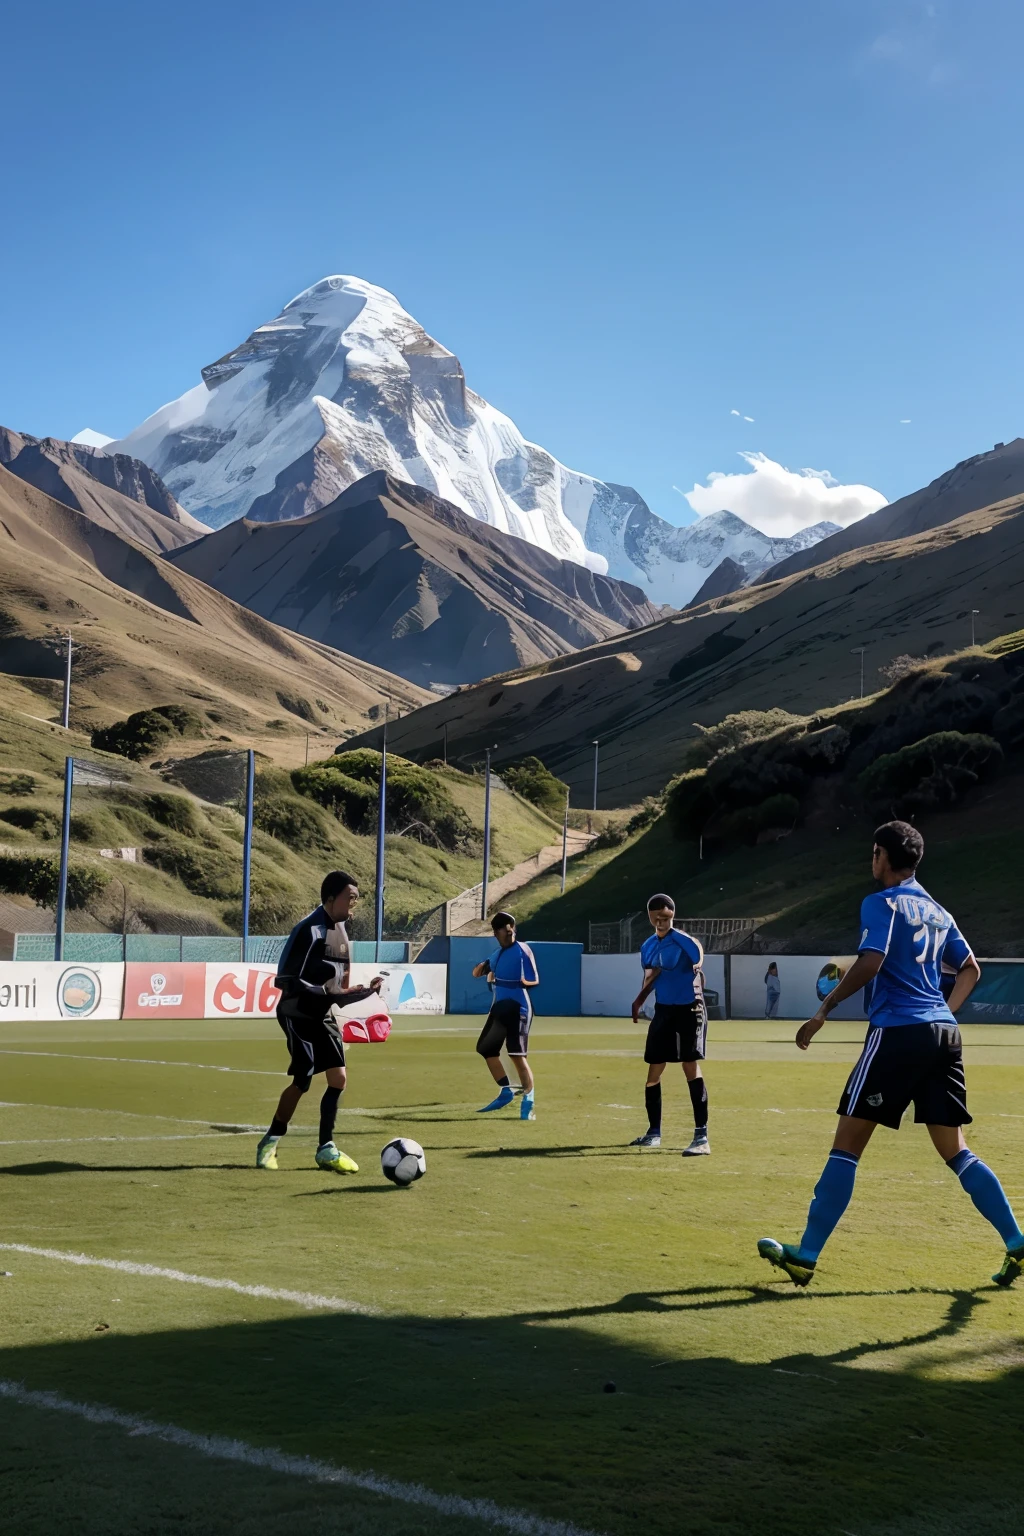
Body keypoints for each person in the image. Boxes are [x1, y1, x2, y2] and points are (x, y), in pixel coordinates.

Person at [759, 820, 1024, 1288]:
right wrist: (944, 1011)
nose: (871, 860)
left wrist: (824, 1009)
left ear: (882, 854)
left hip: (898, 1033)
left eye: (873, 852)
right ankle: (1017, 1242)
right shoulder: (939, 910)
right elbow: (971, 969)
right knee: (955, 1150)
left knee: (847, 1146)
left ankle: (806, 1255)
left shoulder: (880, 903)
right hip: (943, 1033)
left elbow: (872, 960)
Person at [256, 871, 383, 1172]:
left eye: (356, 897)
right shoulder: (308, 930)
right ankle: (270, 1141)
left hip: (322, 1013)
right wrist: (325, 991)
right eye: (349, 897)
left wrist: (365, 991)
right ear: (330, 898)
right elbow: (285, 980)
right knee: (303, 1081)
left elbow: (338, 994)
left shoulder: (342, 935)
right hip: (297, 1012)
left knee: (338, 1079)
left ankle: (326, 1148)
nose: (354, 903)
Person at [629, 894, 710, 1156]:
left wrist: (696, 970)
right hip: (664, 1010)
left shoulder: (686, 941)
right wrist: (639, 1000)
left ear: (672, 915)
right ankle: (654, 1133)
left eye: (665, 917)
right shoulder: (648, 946)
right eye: (656, 918)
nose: (661, 922)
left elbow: (698, 962)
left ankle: (701, 1136)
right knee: (654, 1068)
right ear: (650, 918)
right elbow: (650, 976)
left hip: (689, 1009)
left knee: (690, 1065)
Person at [472, 911, 539, 1121]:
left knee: (517, 1055)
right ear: (496, 933)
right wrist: (484, 969)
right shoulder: (497, 955)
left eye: (511, 928)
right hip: (500, 1007)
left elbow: (534, 979)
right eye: (504, 929)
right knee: (486, 1048)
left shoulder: (523, 950)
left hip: (518, 1007)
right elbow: (476, 973)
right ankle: (506, 1091)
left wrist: (517, 982)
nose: (509, 933)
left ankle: (529, 1098)